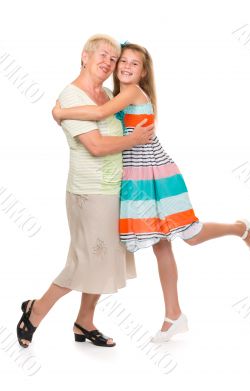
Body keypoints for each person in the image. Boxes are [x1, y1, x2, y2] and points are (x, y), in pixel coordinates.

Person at [52, 42, 250, 343]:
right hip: (136, 179)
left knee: (190, 235)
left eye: (133, 63)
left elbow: (99, 112)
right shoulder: (117, 94)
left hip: (156, 175)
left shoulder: (131, 93)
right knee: (161, 245)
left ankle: (240, 229)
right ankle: (173, 315)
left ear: (143, 71)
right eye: (121, 61)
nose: (125, 66)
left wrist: (60, 111)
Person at [16, 35, 155, 349]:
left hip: (113, 190)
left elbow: (124, 120)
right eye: (103, 55)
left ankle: (84, 322)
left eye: (113, 59)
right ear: (85, 56)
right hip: (88, 193)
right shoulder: (70, 94)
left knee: (102, 261)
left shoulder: (106, 94)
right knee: (83, 262)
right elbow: (95, 146)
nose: (108, 63)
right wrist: (134, 140)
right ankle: (34, 312)